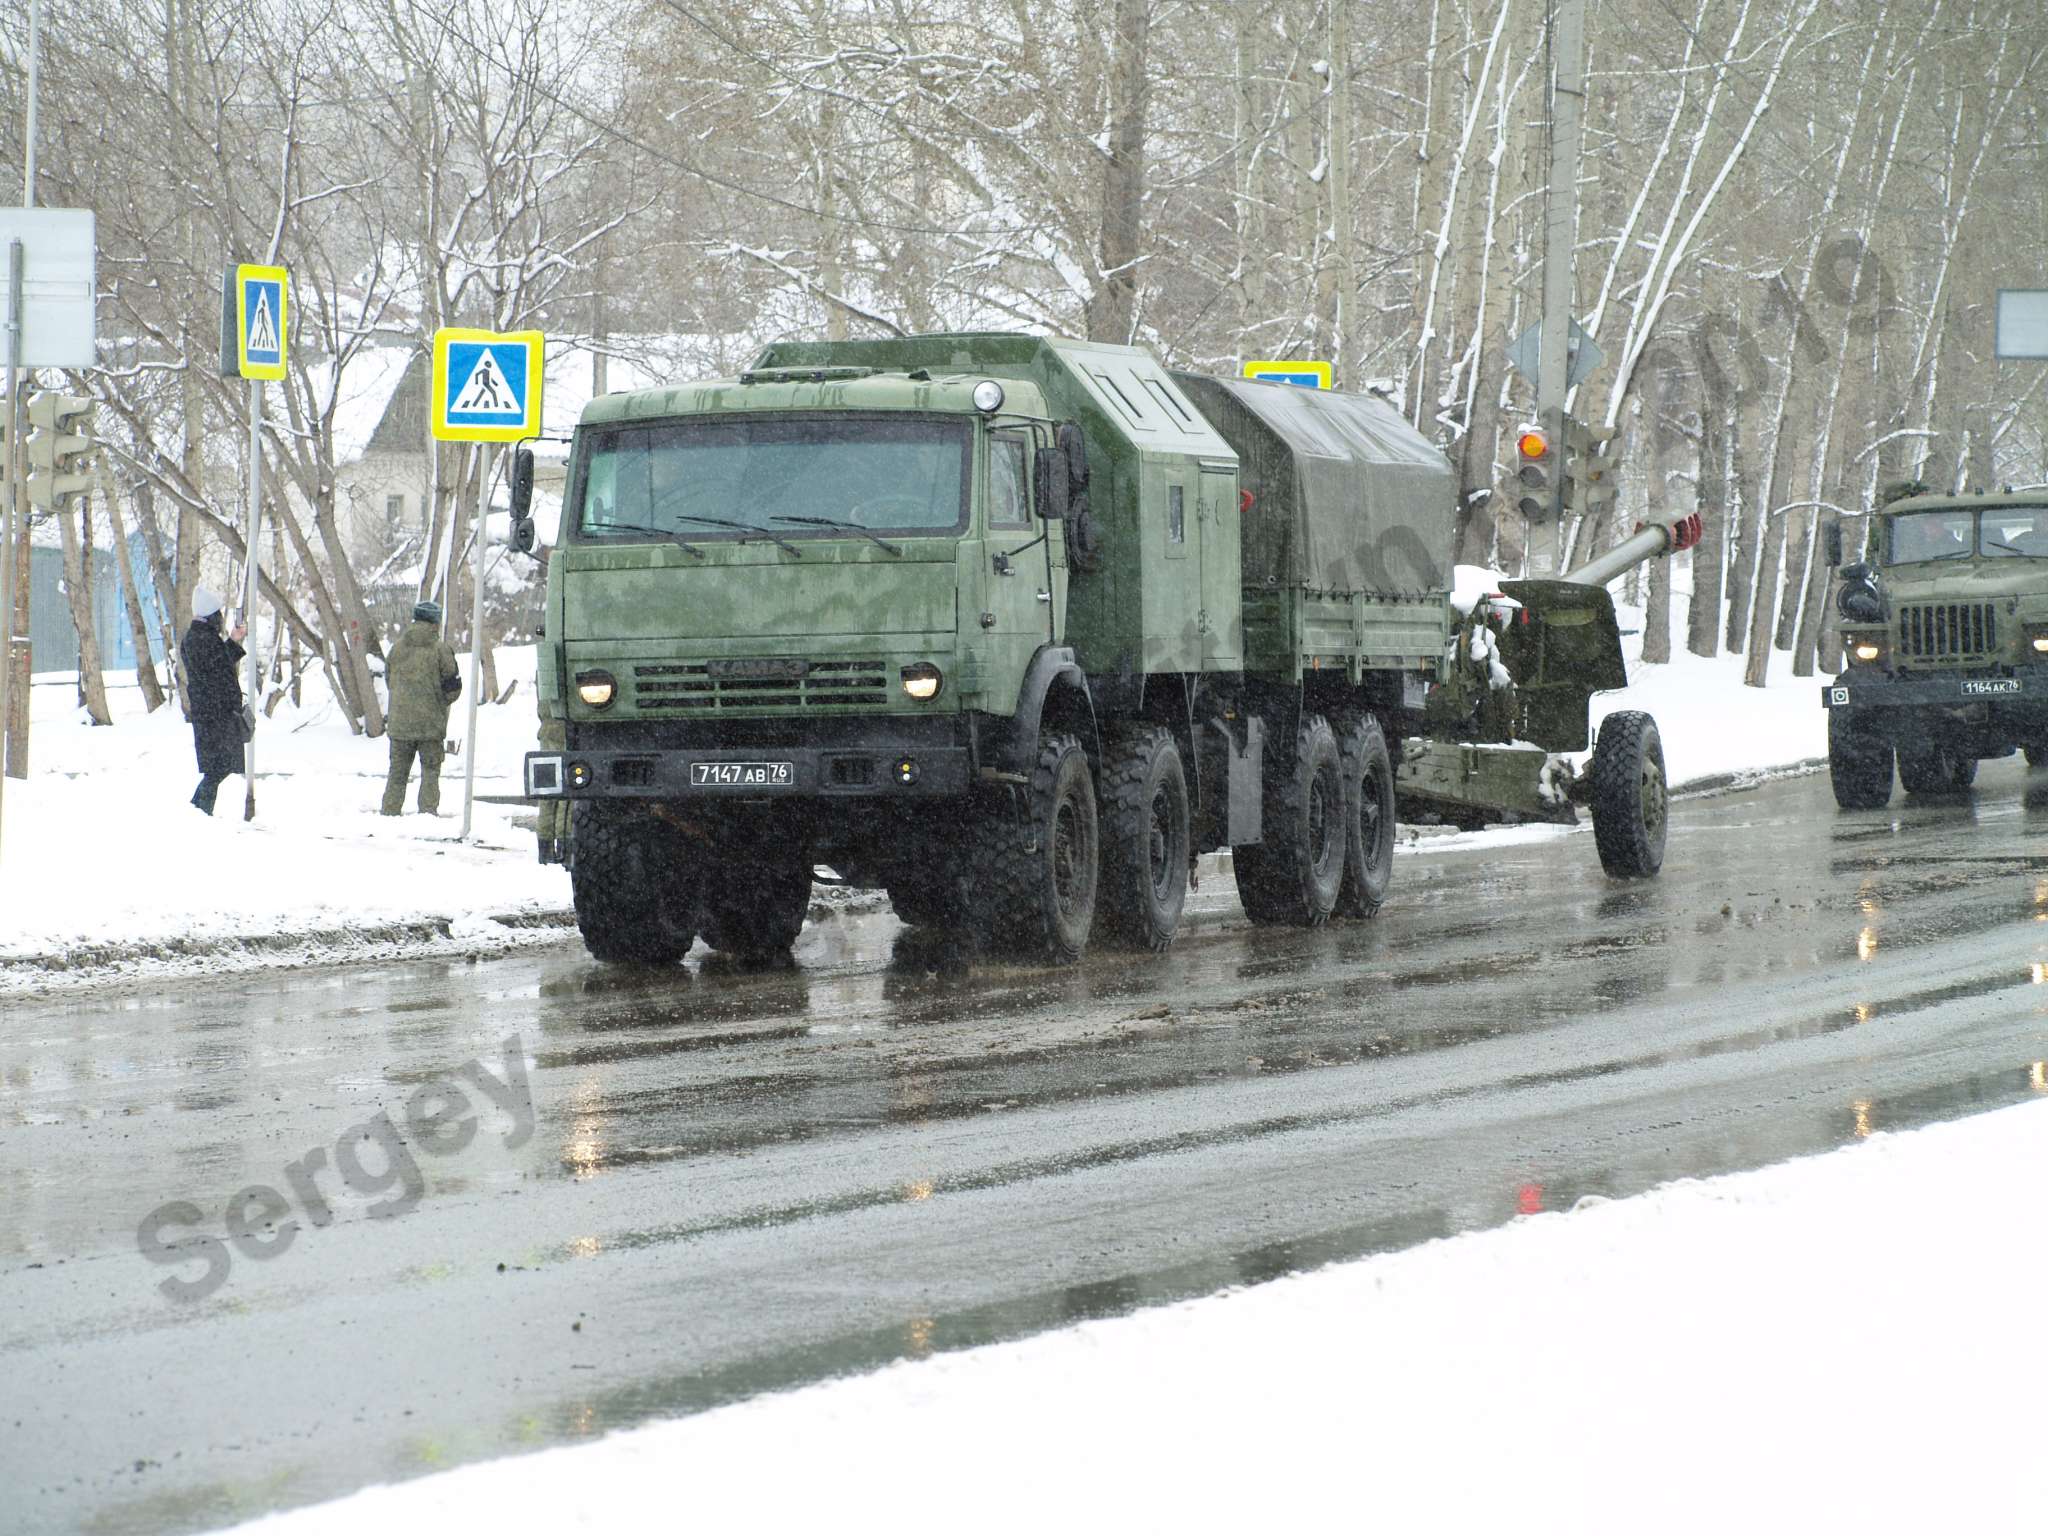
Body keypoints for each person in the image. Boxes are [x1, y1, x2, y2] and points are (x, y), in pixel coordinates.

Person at [382, 601, 463, 816]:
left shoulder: (397, 648)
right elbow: (453, 687)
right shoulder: (440, 649)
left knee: (397, 773)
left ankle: (389, 812)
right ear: (436, 623)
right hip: (430, 725)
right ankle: (427, 814)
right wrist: (438, 703)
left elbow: (388, 679)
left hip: (399, 725)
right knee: (430, 771)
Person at [181, 586, 249, 815]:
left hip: (211, 713)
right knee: (218, 767)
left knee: (218, 766)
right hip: (214, 715)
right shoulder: (203, 639)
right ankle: (198, 811)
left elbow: (217, 665)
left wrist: (232, 641)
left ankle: (198, 810)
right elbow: (219, 670)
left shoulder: (198, 637)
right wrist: (232, 642)